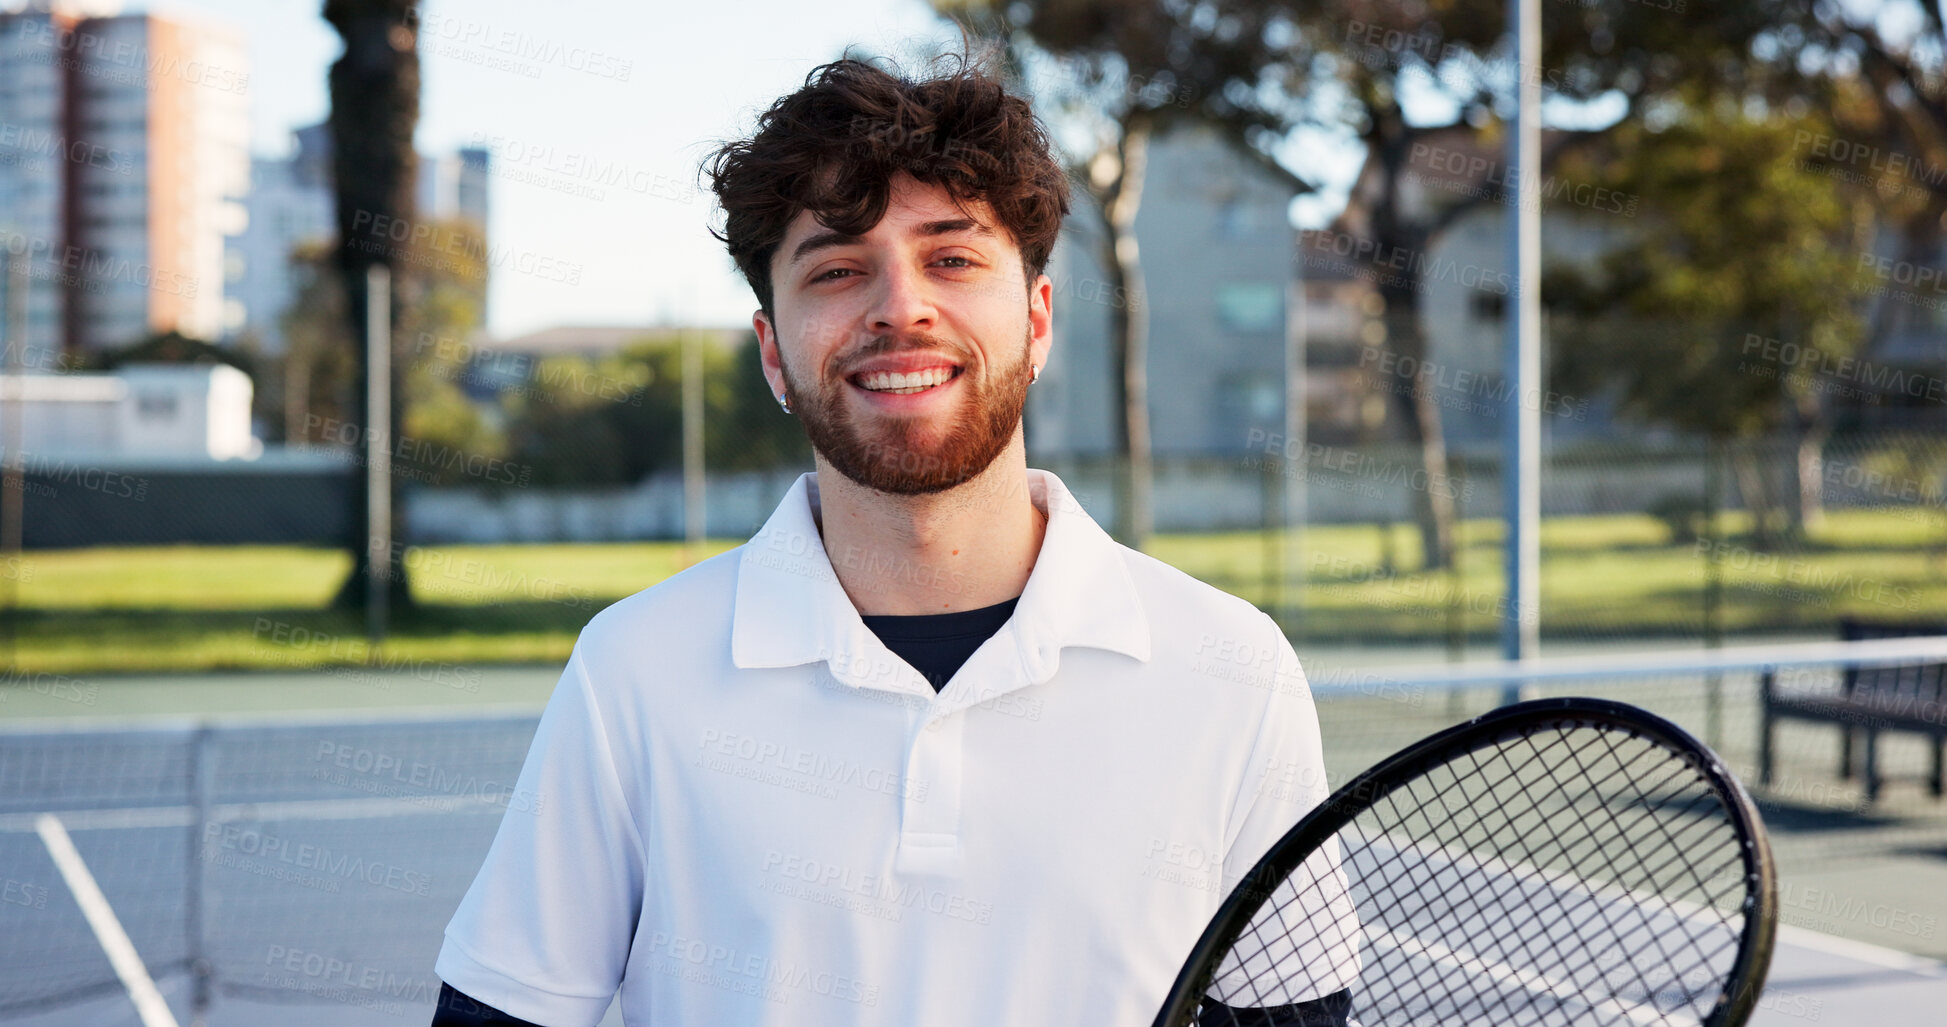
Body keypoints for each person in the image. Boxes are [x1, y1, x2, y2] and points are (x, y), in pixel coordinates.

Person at [431, 49, 1356, 1027]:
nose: (899, 307)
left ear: (1037, 322)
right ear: (773, 354)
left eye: (951, 259)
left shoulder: (1232, 666)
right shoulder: (633, 669)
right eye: (837, 269)